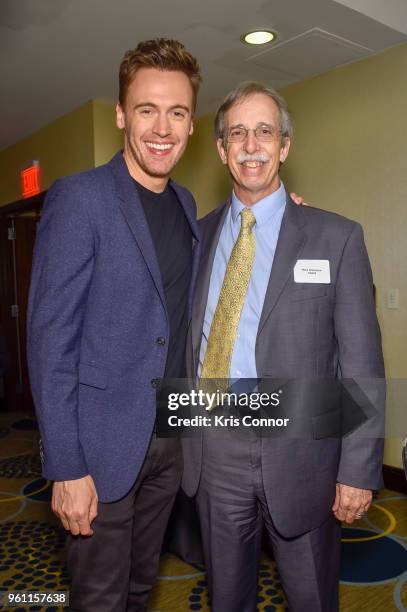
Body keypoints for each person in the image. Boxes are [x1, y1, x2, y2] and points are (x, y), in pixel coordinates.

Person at [182, 81, 385, 611]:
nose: (252, 145)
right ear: (222, 149)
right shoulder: (195, 238)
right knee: (226, 597)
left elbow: (360, 363)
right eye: (238, 133)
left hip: (305, 453)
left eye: (265, 132)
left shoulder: (335, 238)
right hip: (214, 447)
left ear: (285, 145)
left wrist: (358, 470)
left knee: (312, 596)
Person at [27, 38, 202, 611]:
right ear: (123, 114)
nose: (162, 126)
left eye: (176, 111)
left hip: (171, 443)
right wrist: (66, 466)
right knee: (98, 598)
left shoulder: (187, 205)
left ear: (191, 124)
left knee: (138, 587)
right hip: (99, 451)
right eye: (147, 109)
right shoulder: (81, 199)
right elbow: (51, 341)